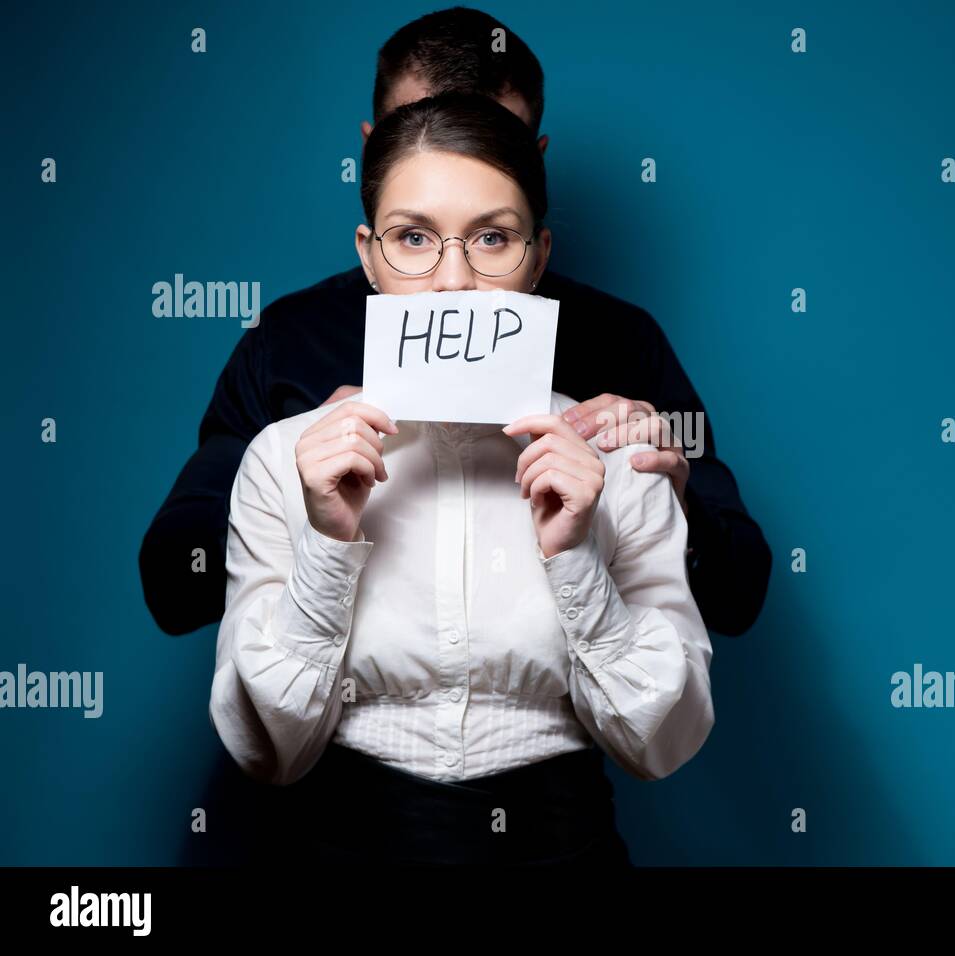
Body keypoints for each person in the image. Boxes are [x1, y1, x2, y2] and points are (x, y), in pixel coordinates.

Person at [139, 7, 771, 642]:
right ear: (371, 152)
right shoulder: (286, 340)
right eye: (414, 131)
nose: (450, 159)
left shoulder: (621, 340)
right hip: (319, 731)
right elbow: (173, 587)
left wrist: (674, 500)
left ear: (536, 163)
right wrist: (286, 475)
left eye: (490, 140)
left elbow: (740, 596)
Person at [210, 92, 714, 865]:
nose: (453, 282)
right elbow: (268, 753)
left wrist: (575, 554)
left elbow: (663, 743)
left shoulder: (619, 456)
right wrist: (326, 543)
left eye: (493, 238)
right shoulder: (285, 457)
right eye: (413, 238)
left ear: (539, 258)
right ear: (369, 257)